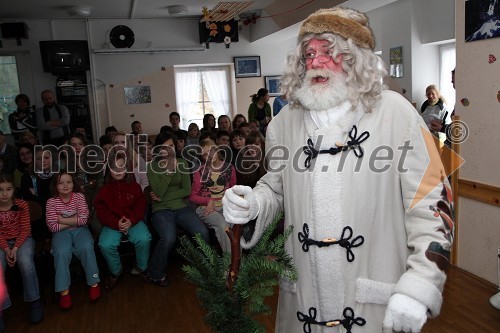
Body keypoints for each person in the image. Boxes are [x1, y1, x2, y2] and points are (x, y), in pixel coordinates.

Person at [222, 7, 454, 333]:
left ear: (353, 58)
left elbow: (432, 205)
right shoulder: (282, 125)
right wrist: (254, 204)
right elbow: (276, 188)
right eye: (308, 54)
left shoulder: (397, 114)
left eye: (329, 52)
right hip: (303, 304)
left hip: (374, 304)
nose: (315, 62)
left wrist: (420, 284)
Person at [146, 132, 209, 287]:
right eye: (164, 147)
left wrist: (163, 195)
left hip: (181, 207)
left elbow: (186, 190)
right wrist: (168, 172)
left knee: (202, 232)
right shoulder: (152, 167)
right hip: (161, 210)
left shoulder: (181, 162)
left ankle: (204, 268)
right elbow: (158, 192)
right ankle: (155, 273)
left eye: (171, 146)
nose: (168, 150)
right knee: (168, 237)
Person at [94, 150, 151, 290]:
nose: (118, 170)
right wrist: (116, 223)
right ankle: (116, 271)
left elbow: (140, 206)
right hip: (113, 223)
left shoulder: (134, 186)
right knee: (105, 244)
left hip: (133, 221)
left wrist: (131, 220)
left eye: (121, 167)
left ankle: (141, 267)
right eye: (114, 168)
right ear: (109, 170)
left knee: (144, 238)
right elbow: (101, 211)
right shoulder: (104, 189)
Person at [46, 171, 100, 309]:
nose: (65, 185)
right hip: (61, 233)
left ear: (73, 183)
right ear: (55, 186)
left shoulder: (79, 197)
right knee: (61, 252)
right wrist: (74, 221)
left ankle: (93, 282)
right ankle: (64, 291)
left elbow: (83, 221)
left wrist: (62, 219)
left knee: (87, 247)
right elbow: (53, 226)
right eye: (61, 183)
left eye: (68, 182)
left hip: (80, 231)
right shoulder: (51, 202)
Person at [0, 174, 44, 326]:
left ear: (13, 190)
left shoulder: (21, 205)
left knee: (25, 262)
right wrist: (7, 250)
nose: (4, 194)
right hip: (2, 243)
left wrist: (15, 248)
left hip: (22, 240)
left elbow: (25, 229)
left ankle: (34, 301)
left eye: (8, 189)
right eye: (0, 190)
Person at [190, 139, 236, 253]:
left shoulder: (229, 168)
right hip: (206, 208)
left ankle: (237, 263)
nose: (209, 155)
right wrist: (208, 201)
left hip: (225, 205)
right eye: (205, 154)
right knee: (222, 225)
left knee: (233, 225)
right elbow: (192, 197)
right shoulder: (200, 172)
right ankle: (231, 264)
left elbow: (233, 190)